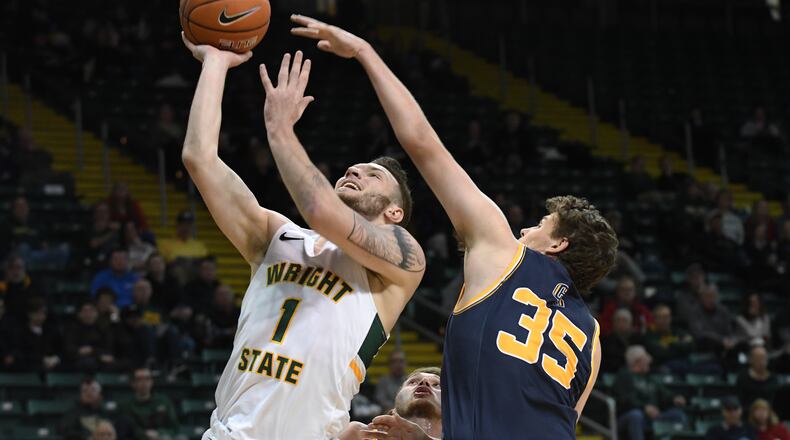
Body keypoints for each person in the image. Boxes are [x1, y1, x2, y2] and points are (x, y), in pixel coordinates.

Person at [291, 15, 616, 438]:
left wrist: (365, 53)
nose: (523, 232)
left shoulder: (505, 253)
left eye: (539, 225)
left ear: (557, 245)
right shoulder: (591, 336)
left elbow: (422, 143)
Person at [180, 30, 425, 439]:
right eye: (352, 168)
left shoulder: (402, 258)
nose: (354, 171)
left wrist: (279, 128)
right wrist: (214, 63)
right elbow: (199, 158)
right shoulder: (276, 235)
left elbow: (320, 210)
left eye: (372, 174)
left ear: (394, 212)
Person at [342, 367, 442, 440]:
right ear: (395, 405)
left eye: (436, 384)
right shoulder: (358, 434)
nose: (424, 382)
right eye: (412, 382)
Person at [614, 346, 687, 440]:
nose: (650, 360)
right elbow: (625, 400)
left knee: (677, 415)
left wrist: (674, 398)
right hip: (629, 417)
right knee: (636, 415)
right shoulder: (624, 376)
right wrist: (644, 407)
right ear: (638, 361)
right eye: (646, 358)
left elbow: (663, 393)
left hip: (653, 417)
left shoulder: (649, 378)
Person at [119, 367, 179, 440]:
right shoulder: (126, 405)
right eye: (139, 379)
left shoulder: (163, 401)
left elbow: (174, 428)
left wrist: (159, 433)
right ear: (133, 383)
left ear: (152, 382)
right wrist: (144, 435)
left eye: (147, 379)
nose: (144, 382)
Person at [63, 299, 115, 371]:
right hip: (77, 361)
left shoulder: (102, 329)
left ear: (96, 313)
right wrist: (79, 351)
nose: (88, 314)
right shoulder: (72, 329)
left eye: (91, 311)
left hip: (99, 360)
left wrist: (92, 350)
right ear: (79, 314)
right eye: (85, 311)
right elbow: (68, 349)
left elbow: (107, 348)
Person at [642, 304, 695, 374]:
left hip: (684, 365)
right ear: (654, 319)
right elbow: (661, 353)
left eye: (667, 317)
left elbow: (691, 345)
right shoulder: (649, 335)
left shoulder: (677, 331)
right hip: (662, 368)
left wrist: (670, 345)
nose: (665, 320)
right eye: (661, 317)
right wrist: (681, 346)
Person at [601, 309, 640, 373]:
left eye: (624, 321)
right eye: (618, 320)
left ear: (631, 323)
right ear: (613, 323)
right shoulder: (606, 341)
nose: (621, 323)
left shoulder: (637, 340)